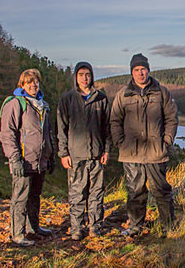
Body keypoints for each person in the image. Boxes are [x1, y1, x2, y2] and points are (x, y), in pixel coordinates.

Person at [110, 53, 178, 237]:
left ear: (148, 70)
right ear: (131, 72)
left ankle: (168, 227)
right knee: (135, 192)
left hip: (156, 151)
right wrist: (120, 142)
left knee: (161, 191)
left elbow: (171, 118)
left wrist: (167, 140)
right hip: (131, 153)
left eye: (143, 69)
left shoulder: (161, 92)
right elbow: (115, 120)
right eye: (136, 70)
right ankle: (136, 227)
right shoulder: (122, 94)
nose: (140, 73)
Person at [0, 68, 55, 247]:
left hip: (40, 161)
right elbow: (7, 133)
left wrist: (51, 155)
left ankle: (33, 228)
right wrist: (14, 158)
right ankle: (17, 234)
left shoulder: (42, 105)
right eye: (29, 82)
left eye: (36, 81)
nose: (33, 85)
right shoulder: (16, 104)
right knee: (20, 197)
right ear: (22, 85)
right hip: (24, 160)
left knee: (35, 196)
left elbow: (48, 133)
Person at [57, 62, 111, 241]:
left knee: (96, 193)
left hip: (96, 154)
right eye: (81, 74)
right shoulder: (68, 99)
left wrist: (106, 150)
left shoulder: (101, 98)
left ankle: (95, 226)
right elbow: (61, 129)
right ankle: (77, 227)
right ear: (76, 77)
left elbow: (107, 128)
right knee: (77, 193)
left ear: (92, 76)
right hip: (76, 155)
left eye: (87, 74)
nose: (84, 78)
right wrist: (63, 153)